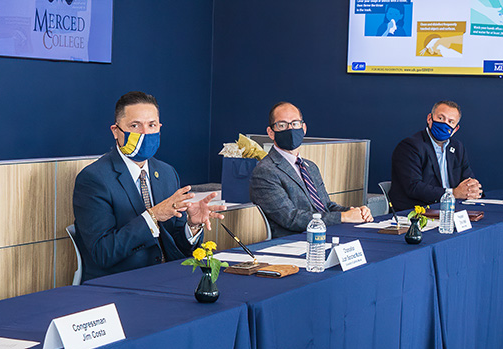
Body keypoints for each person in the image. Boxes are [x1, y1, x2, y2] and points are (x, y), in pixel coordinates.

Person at [72, 91, 226, 282]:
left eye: (152, 125)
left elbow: (177, 245)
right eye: (135, 126)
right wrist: (152, 217)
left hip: (168, 278)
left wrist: (192, 226)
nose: (145, 133)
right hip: (120, 283)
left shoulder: (167, 173)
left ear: (159, 128)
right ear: (115, 131)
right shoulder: (94, 179)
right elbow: (103, 252)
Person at [250, 102, 372, 238]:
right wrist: (343, 217)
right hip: (295, 241)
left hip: (324, 235)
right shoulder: (265, 171)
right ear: (271, 133)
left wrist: (355, 212)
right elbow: (290, 218)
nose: (290, 129)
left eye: (295, 123)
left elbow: (326, 206)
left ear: (303, 128)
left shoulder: (310, 167)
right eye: (282, 125)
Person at [389, 101, 482, 212]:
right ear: (430, 119)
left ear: (455, 129)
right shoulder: (410, 146)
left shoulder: (457, 147)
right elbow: (413, 187)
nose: (444, 124)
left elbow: (468, 180)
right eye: (441, 118)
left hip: (450, 210)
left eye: (450, 122)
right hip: (415, 212)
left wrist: (472, 189)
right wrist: (453, 193)